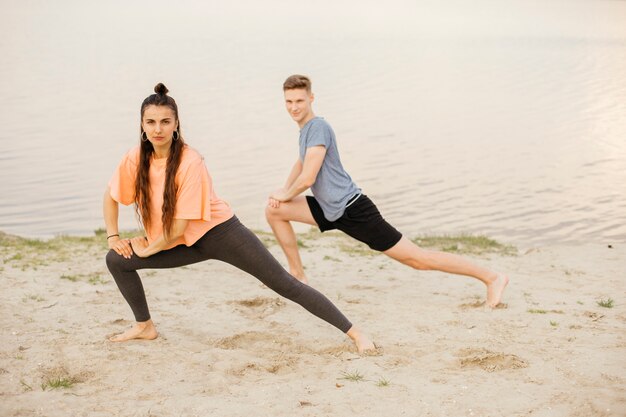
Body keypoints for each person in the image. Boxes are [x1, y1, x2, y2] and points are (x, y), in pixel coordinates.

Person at [103, 83, 374, 353]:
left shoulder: (190, 161)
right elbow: (111, 196)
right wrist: (113, 236)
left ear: (176, 124)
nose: (157, 129)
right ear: (142, 124)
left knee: (283, 283)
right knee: (116, 259)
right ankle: (144, 326)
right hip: (179, 242)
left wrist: (148, 248)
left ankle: (356, 333)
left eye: (165, 122)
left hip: (220, 234)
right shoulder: (135, 157)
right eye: (150, 122)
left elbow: (178, 227)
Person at [266, 74, 509, 308]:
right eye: (289, 101)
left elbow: (308, 177)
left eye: (299, 101)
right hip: (330, 209)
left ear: (311, 98)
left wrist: (285, 195)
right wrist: (284, 190)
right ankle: (298, 276)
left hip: (352, 209)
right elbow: (300, 164)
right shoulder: (306, 129)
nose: (294, 107)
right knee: (275, 211)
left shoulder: (318, 127)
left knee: (418, 259)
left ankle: (492, 277)